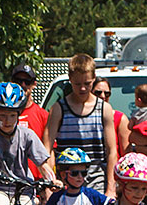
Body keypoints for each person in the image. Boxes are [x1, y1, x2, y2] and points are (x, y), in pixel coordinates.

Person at [45, 54, 117, 197]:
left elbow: (111, 151)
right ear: (70, 79)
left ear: (94, 78)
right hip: (66, 177)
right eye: (78, 84)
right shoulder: (59, 108)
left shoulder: (104, 108)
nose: (83, 88)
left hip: (96, 178)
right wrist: (49, 183)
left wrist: (111, 188)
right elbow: (47, 148)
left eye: (87, 83)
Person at [94, 77, 132, 160]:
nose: (103, 96)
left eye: (107, 93)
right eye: (98, 93)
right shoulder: (81, 117)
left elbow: (126, 155)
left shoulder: (120, 119)